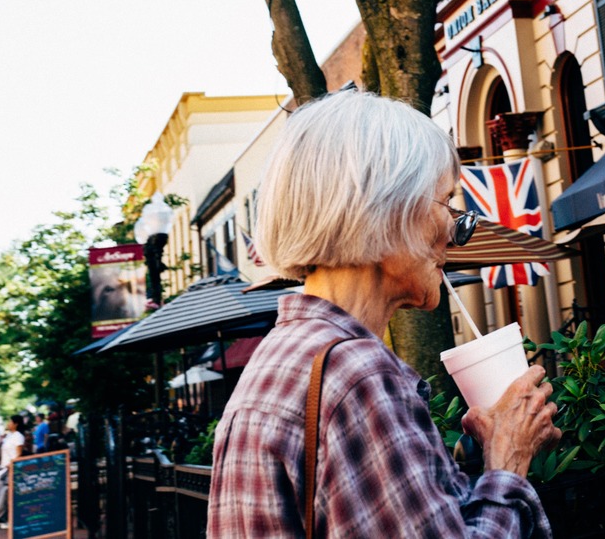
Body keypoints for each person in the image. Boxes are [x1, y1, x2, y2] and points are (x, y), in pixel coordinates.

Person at [209, 90, 560, 538]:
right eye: (446, 204)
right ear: (387, 210)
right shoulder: (358, 376)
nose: (455, 233)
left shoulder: (279, 356)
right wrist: (508, 460)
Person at [0, 416, 26, 522]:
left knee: (7, 491)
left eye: (10, 421)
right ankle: (2, 516)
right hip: (5, 467)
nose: (8, 423)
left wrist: (11, 463)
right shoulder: (10, 436)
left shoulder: (18, 437)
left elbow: (19, 453)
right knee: (8, 491)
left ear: (16, 424)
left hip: (12, 468)